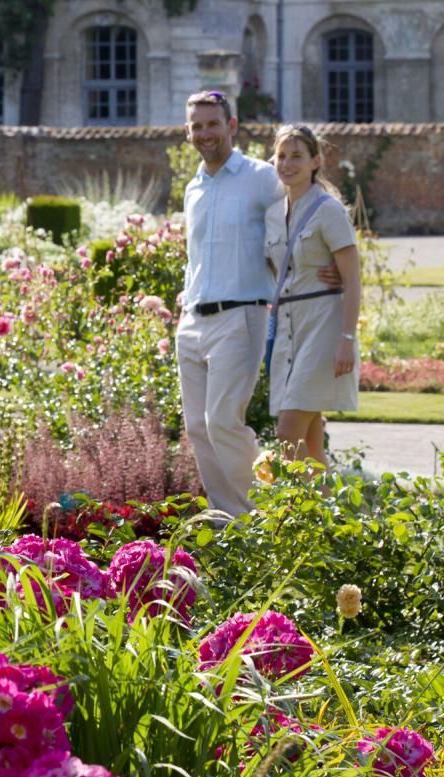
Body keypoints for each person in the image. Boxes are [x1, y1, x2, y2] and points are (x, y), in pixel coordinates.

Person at [176, 91, 338, 518]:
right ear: (188, 132)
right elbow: (195, 255)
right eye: (197, 126)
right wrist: (185, 295)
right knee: (197, 428)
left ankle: (264, 514)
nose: (205, 133)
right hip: (191, 321)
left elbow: (305, 211)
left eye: (213, 124)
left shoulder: (261, 176)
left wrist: (331, 264)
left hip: (240, 316)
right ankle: (228, 520)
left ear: (232, 126)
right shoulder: (193, 187)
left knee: (223, 421)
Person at [265, 123, 360, 467]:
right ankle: (326, 515)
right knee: (311, 444)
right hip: (288, 329)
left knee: (287, 435)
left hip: (323, 326)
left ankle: (281, 514)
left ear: (315, 161)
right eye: (281, 156)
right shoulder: (272, 215)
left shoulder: (329, 211)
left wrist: (346, 339)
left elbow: (353, 279)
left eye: (297, 156)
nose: (287, 164)